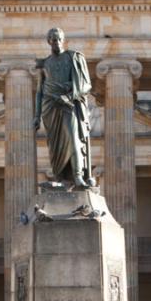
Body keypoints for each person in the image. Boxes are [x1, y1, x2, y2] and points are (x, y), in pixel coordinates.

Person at [34, 27, 95, 188]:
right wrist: (36, 116)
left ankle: (78, 176)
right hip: (50, 108)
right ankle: (60, 177)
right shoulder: (44, 64)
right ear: (49, 42)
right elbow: (40, 92)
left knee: (73, 138)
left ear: (63, 40)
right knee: (54, 147)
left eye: (59, 39)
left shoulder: (74, 58)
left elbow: (86, 85)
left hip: (69, 105)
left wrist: (68, 96)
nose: (56, 42)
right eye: (53, 39)